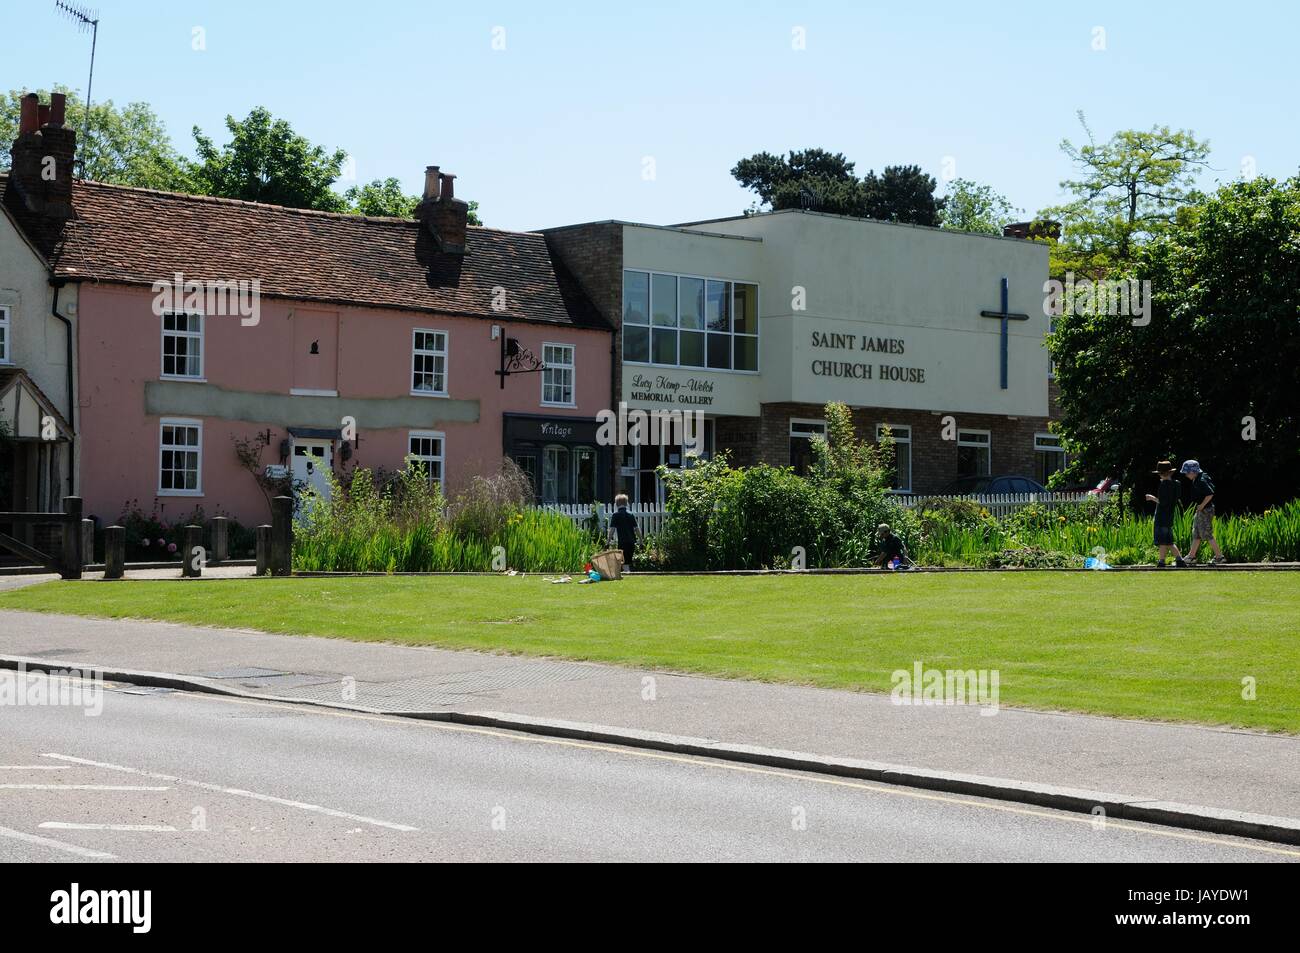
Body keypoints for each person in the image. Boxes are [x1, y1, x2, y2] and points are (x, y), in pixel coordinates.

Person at [1180, 460, 1225, 565]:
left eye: (1187, 473)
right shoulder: (1200, 477)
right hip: (1202, 510)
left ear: (1193, 472)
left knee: (1207, 533)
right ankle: (1191, 556)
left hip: (1205, 510)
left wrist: (1202, 505)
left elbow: (1210, 494)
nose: (1186, 475)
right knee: (1196, 533)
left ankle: (1219, 557)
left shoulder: (1200, 480)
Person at [1144, 461, 1188, 568]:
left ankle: (1161, 561)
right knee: (1169, 541)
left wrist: (1152, 498)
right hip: (1169, 516)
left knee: (1162, 541)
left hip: (1161, 516)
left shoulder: (1164, 485)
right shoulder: (1176, 484)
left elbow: (1163, 502)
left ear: (1161, 473)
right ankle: (1179, 560)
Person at [609, 494, 638, 572]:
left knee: (624, 561)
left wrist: (608, 541)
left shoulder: (616, 515)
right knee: (627, 560)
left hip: (622, 541)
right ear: (626, 503)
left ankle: (626, 573)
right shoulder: (631, 515)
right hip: (631, 542)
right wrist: (641, 541)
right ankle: (626, 572)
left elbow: (612, 530)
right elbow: (636, 529)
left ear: (616, 504)